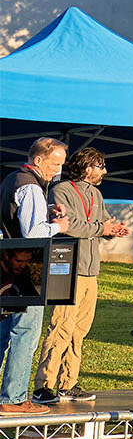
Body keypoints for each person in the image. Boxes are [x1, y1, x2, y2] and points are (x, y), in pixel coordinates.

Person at [32, 147, 129, 404]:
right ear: (87, 167)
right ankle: (43, 386)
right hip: (67, 269)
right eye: (101, 166)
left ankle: (68, 383)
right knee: (60, 327)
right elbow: (69, 226)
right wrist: (101, 228)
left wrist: (114, 229)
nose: (104, 171)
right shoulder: (61, 190)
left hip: (90, 272)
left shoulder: (96, 194)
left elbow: (102, 224)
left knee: (79, 331)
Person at [1, 137, 70, 416]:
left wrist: (45, 211)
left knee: (3, 333)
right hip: (27, 269)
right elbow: (33, 233)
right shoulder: (30, 186)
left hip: (6, 266)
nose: (58, 170)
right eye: (55, 164)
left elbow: (15, 215)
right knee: (25, 334)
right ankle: (14, 399)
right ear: (38, 160)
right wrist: (58, 226)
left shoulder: (12, 179)